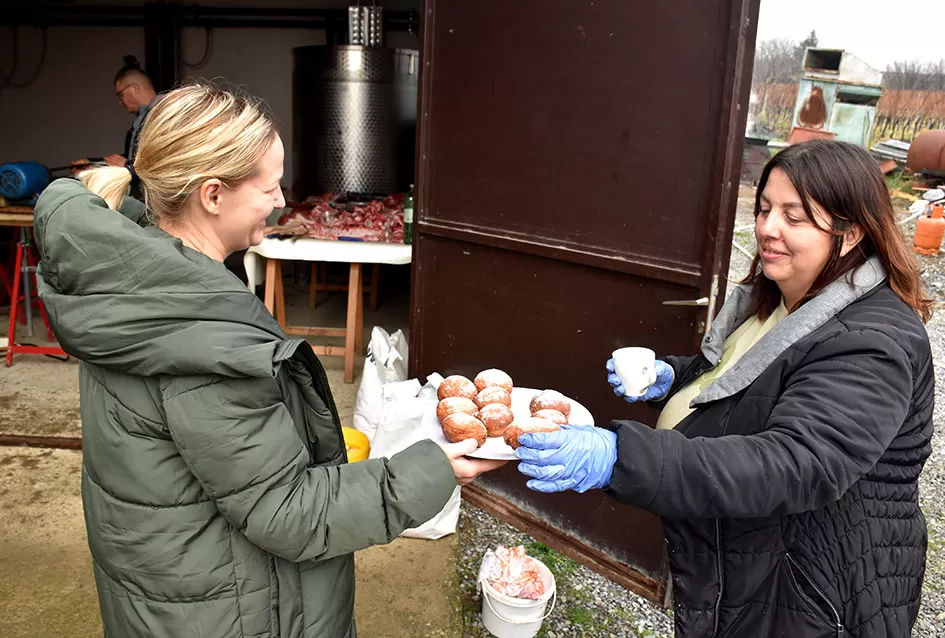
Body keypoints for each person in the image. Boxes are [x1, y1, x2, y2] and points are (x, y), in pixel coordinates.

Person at [34, 82, 505, 638]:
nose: (282, 200)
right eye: (269, 186)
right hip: (229, 612)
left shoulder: (130, 282)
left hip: (169, 594)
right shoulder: (199, 339)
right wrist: (435, 470)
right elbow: (288, 514)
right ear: (212, 195)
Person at [515, 140, 933, 637]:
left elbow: (797, 462)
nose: (767, 228)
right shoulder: (784, 296)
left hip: (809, 590)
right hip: (749, 559)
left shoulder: (872, 342)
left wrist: (620, 456)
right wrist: (674, 378)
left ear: (851, 231)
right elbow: (744, 377)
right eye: (764, 209)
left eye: (794, 217)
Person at [73, 55, 157, 172]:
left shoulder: (165, 114)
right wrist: (93, 164)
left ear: (135, 88)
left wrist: (128, 166)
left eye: (120, 95)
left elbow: (163, 161)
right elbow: (133, 159)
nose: (120, 101)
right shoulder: (143, 119)